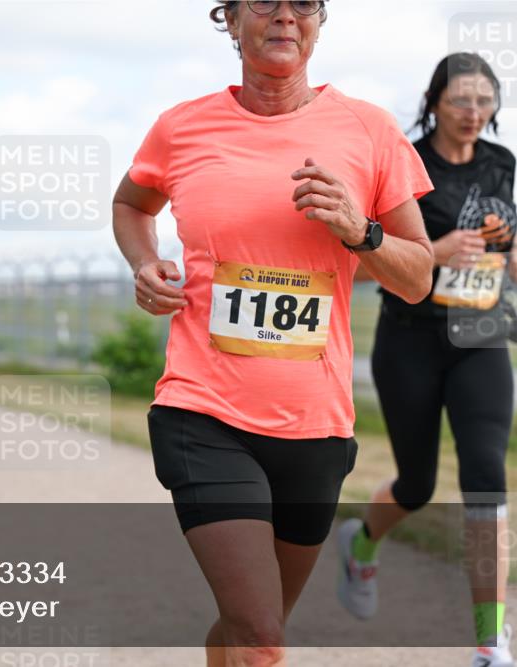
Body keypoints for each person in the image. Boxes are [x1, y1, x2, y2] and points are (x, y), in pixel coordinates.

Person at [114, 2, 435, 664]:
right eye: (265, 1)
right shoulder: (182, 127)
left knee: (248, 631)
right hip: (203, 411)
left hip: (315, 427)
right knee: (261, 634)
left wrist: (360, 229)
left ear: (320, 21)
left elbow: (418, 276)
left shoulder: (369, 131)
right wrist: (145, 263)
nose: (285, 16)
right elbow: (130, 202)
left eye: (304, 3)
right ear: (229, 19)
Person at [337, 53, 516, 666]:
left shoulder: (502, 164)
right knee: (416, 484)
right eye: (461, 100)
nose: (474, 113)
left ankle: (491, 641)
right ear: (435, 100)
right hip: (410, 339)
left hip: (482, 337)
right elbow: (358, 266)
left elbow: (507, 249)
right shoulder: (401, 163)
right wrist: (435, 251)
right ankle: (360, 545)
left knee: (486, 478)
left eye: (485, 101)